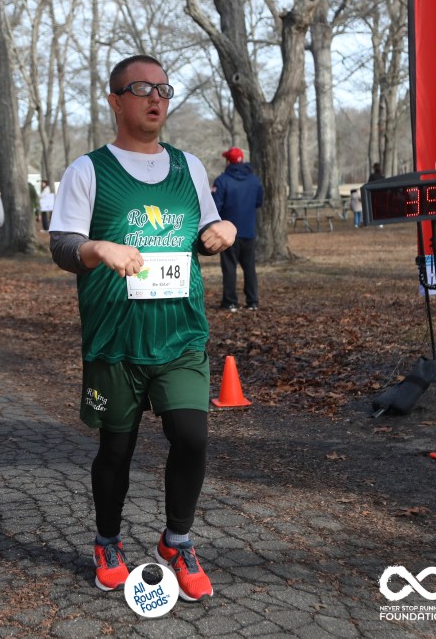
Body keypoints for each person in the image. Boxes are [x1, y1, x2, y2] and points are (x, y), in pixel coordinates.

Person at [48, 54, 236, 601]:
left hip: (180, 333)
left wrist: (223, 229)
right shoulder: (88, 170)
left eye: (163, 89)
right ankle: (107, 542)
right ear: (115, 101)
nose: (156, 98)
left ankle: (177, 541)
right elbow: (62, 244)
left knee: (192, 437)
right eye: (141, 88)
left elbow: (206, 229)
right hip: (116, 339)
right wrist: (97, 249)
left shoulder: (188, 166)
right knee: (116, 450)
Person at [212, 146, 263, 312]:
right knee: (249, 267)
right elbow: (259, 201)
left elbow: (215, 205)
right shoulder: (254, 180)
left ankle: (230, 302)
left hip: (228, 232)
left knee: (229, 267)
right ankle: (252, 301)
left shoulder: (222, 181)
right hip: (248, 230)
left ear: (228, 161)